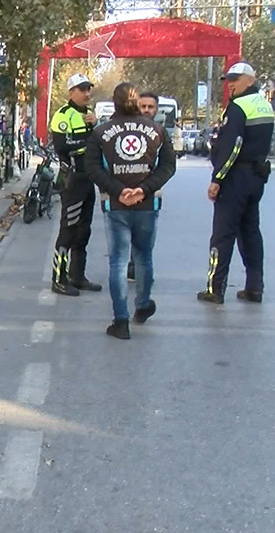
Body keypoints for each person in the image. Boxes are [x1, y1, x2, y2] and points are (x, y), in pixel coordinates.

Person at [86, 82, 176, 340]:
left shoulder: (101, 132)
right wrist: (143, 190)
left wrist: (118, 191)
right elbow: (168, 167)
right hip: (147, 204)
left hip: (115, 205)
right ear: (137, 102)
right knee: (144, 257)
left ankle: (121, 320)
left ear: (114, 103)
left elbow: (92, 168)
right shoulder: (157, 130)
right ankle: (143, 304)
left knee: (117, 261)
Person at [200, 61, 272, 304]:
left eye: (236, 79)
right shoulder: (264, 105)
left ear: (250, 80)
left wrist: (217, 178)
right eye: (229, 80)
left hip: (236, 178)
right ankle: (255, 286)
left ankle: (215, 288)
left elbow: (233, 147)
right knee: (251, 232)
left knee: (222, 234)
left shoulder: (238, 107)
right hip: (257, 177)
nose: (230, 84)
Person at [49, 73, 102, 296]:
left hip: (88, 179)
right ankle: (58, 278)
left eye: (88, 89)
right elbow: (63, 147)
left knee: (83, 231)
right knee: (68, 231)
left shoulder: (90, 115)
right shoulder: (63, 115)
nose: (87, 93)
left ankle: (77, 276)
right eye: (82, 89)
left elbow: (99, 144)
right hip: (71, 179)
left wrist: (96, 125)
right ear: (71, 92)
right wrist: (90, 140)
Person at [126, 91, 165, 283]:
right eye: (143, 106)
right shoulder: (124, 131)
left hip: (151, 193)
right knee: (126, 232)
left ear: (156, 109)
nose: (147, 110)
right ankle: (131, 266)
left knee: (146, 235)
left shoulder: (160, 133)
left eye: (151, 107)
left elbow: (166, 165)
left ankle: (139, 267)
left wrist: (149, 186)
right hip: (124, 193)